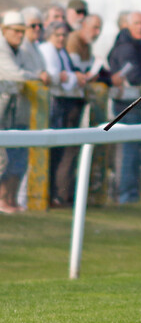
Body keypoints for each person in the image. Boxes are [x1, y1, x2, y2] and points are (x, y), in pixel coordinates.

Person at [0, 11, 49, 212]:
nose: (20, 35)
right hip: (5, 112)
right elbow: (18, 75)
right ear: (5, 31)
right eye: (16, 31)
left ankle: (9, 200)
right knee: (4, 158)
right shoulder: (2, 49)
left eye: (22, 31)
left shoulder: (19, 50)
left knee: (17, 156)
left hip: (13, 112)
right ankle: (3, 200)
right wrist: (38, 76)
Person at [108, 11, 141, 204]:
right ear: (127, 25)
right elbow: (135, 76)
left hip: (136, 103)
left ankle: (132, 194)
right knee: (128, 151)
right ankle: (125, 195)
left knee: (135, 150)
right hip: (127, 104)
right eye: (136, 23)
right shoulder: (126, 46)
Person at [40, 21, 86, 207]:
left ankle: (60, 194)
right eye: (57, 35)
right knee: (56, 150)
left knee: (65, 150)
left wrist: (71, 77)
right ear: (50, 35)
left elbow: (66, 75)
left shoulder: (61, 51)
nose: (61, 38)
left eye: (63, 35)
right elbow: (57, 77)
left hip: (65, 103)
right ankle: (52, 195)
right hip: (55, 103)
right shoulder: (48, 49)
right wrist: (73, 77)